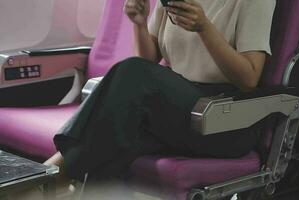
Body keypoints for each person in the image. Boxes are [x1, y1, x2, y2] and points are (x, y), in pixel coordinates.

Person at [45, 0, 275, 187]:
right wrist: (140, 23)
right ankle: (52, 178)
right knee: (117, 140)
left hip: (226, 116)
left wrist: (205, 28)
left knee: (131, 73)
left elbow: (249, 79)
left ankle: (51, 176)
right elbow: (149, 63)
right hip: (178, 106)